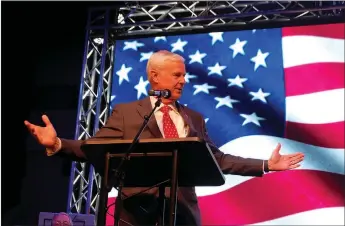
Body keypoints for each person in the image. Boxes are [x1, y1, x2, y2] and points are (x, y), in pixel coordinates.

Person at [24, 50, 304, 226]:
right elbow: (96, 147)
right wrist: (58, 143)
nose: (183, 81)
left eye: (184, 75)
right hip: (135, 214)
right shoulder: (127, 113)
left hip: (181, 214)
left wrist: (265, 164)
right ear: (155, 78)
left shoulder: (192, 118)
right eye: (177, 75)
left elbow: (217, 159)